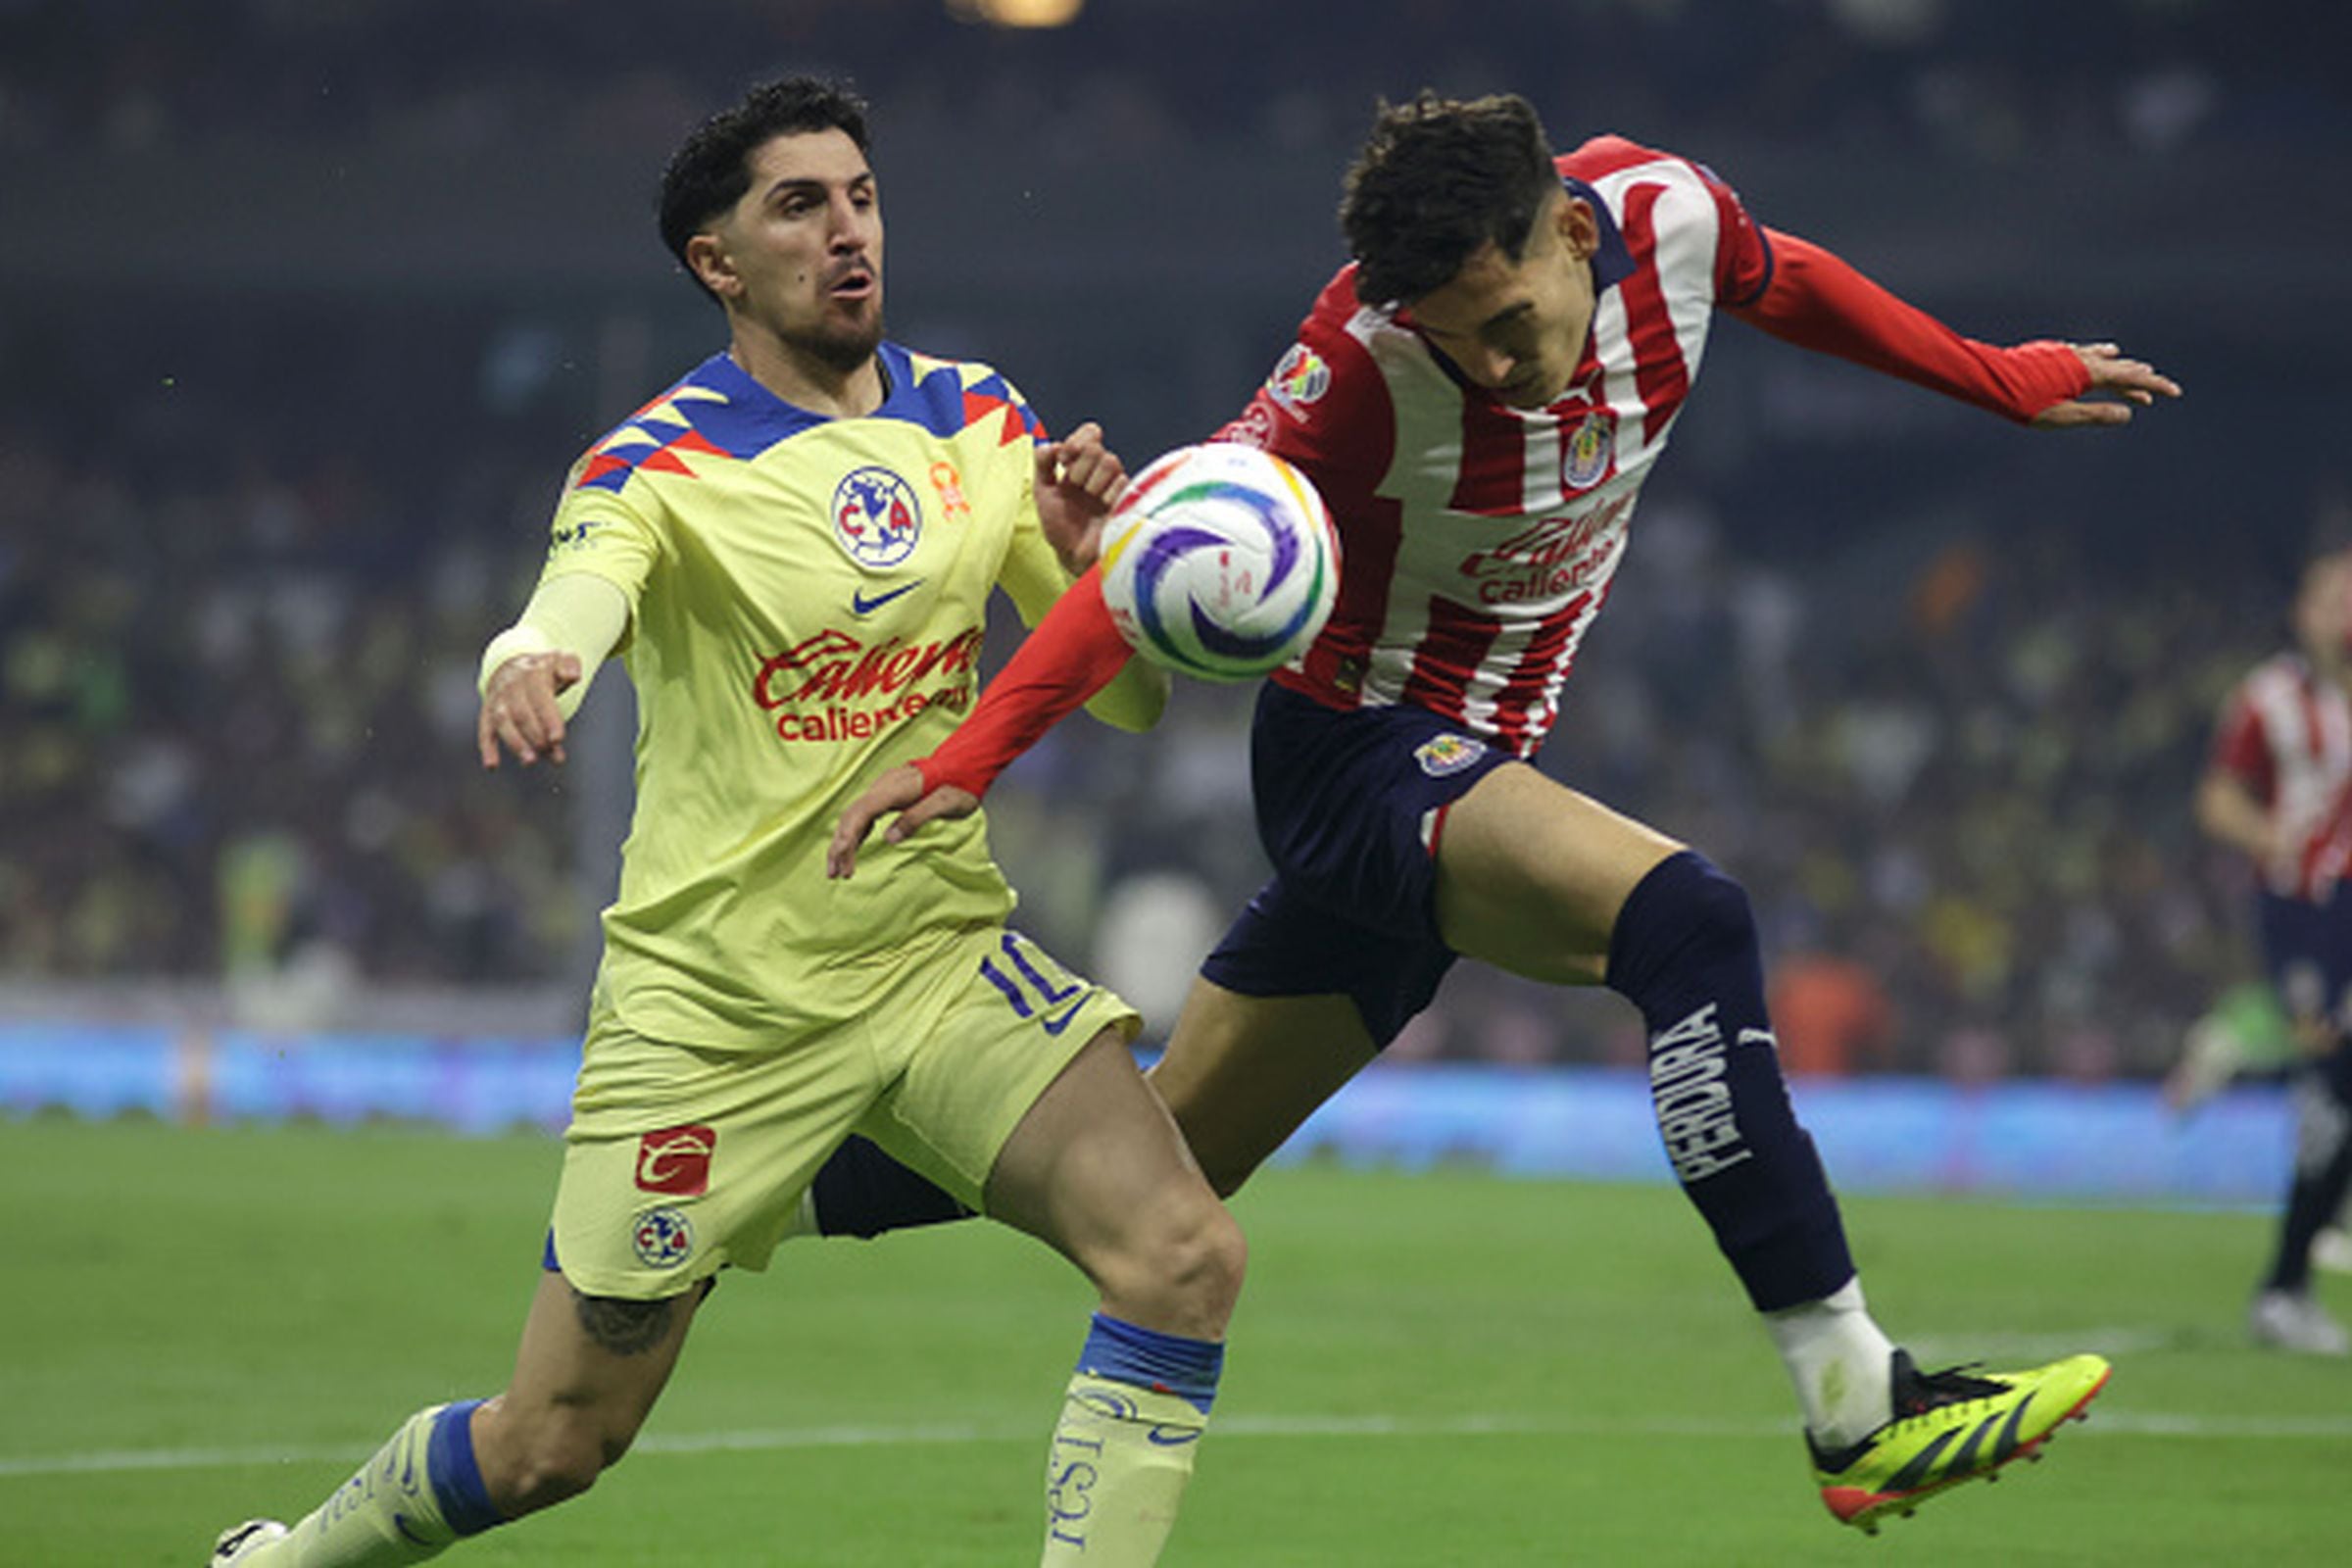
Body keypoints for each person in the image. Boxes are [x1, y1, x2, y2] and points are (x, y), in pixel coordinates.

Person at [822, 91, 2182, 1535]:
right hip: (1358, 755)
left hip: (1466, 767)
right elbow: (1156, 561)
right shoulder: (1355, 362)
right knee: (1688, 920)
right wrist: (970, 759)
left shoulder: (1673, 218)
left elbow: (1793, 282)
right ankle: (1858, 1399)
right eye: (1450, 336)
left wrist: (1999, 377)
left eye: (1507, 322)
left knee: (1150, 1172)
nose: (1487, 362)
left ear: (1574, 233)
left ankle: (757, 1189)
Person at [210, 76, 1246, 1568]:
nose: (848, 233)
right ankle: (295, 1558)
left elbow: (1134, 706)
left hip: (936, 957)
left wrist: (1104, 578)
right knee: (555, 1443)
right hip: (717, 1009)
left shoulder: (983, 417)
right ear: (718, 262)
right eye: (799, 205)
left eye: (863, 198)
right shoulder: (658, 465)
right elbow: (574, 593)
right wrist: (530, 658)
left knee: (1182, 1255)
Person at [2193, 547, 2352, 1352]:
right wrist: (2273, 838)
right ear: (2303, 611)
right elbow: (2218, 797)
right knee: (2333, 1071)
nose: (2347, 611)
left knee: (2341, 1083)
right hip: (2308, 911)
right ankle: (2286, 1286)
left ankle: (2302, 1264)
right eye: (2334, 597)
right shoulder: (2271, 699)